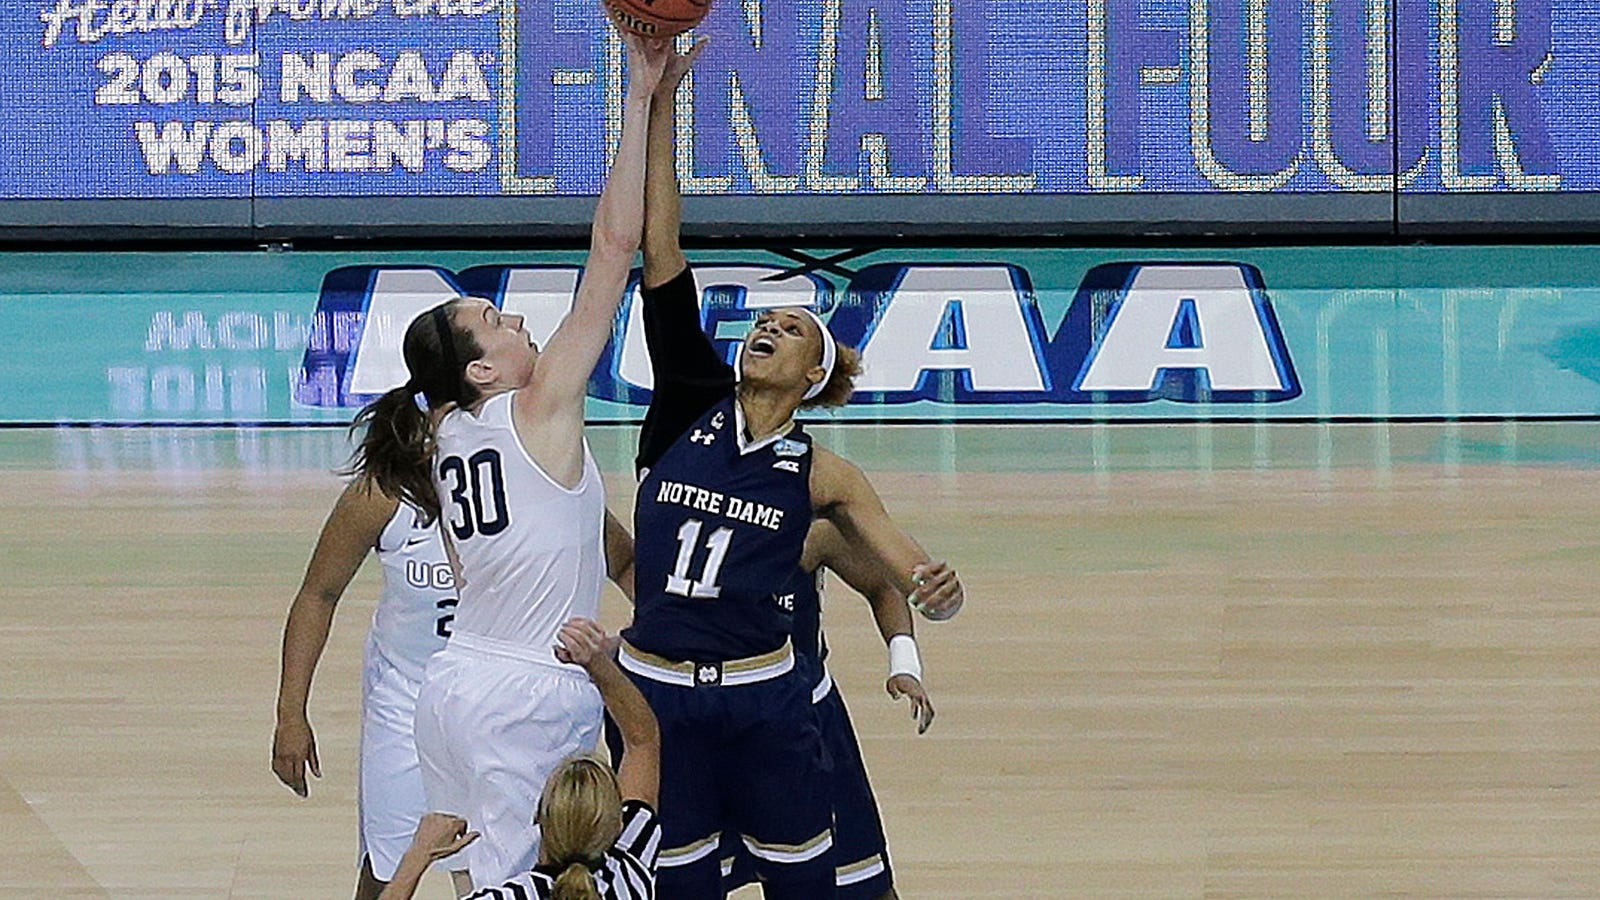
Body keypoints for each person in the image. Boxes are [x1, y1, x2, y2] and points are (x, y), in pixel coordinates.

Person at [617, 38, 952, 899]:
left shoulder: (822, 474)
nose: (766, 326)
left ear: (815, 374)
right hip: (663, 696)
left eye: (792, 326)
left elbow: (894, 560)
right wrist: (657, 103)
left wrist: (930, 590)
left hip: (776, 698)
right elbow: (661, 246)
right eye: (761, 319)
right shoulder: (689, 399)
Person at [346, 34, 671, 893]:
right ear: (483, 370)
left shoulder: (441, 434)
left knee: (475, 882)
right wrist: (639, 97)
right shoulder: (538, 409)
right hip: (529, 691)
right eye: (495, 319)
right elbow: (612, 248)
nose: (520, 321)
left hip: (451, 685)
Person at [270, 480, 635, 900]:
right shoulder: (384, 493)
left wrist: (644, 644)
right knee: (388, 866)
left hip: (517, 704)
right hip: (406, 695)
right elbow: (320, 593)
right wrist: (290, 714)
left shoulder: (545, 481)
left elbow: (625, 564)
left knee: (535, 866)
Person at [716, 523, 964, 899]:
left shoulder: (814, 527)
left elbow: (881, 584)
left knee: (864, 885)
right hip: (718, 723)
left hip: (808, 720)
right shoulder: (684, 504)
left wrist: (904, 662)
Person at [380, 617, 663, 900]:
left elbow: (643, 740)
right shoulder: (630, 872)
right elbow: (643, 740)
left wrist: (418, 856)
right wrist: (597, 664)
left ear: (540, 819)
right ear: (617, 825)